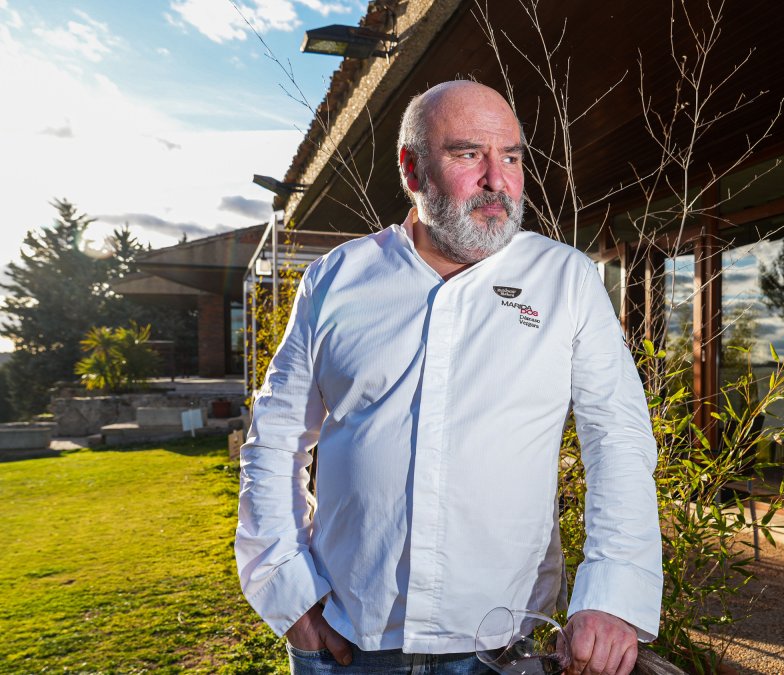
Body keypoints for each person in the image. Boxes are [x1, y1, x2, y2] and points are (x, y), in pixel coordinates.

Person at [235, 80, 662, 675]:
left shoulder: (566, 279)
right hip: (348, 640)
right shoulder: (336, 279)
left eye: (511, 157)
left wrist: (612, 598)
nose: (498, 179)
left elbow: (617, 439)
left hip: (504, 644)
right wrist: (289, 589)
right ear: (412, 170)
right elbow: (275, 439)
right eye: (469, 154)